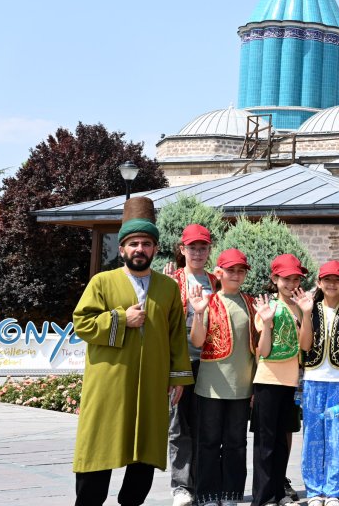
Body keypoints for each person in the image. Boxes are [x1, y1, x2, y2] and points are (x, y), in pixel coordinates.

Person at [71, 197, 194, 506]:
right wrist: (121, 319)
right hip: (110, 383)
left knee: (145, 450)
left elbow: (177, 335)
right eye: (134, 243)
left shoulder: (167, 287)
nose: (140, 249)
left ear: (155, 249)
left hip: (152, 384)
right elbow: (81, 323)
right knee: (99, 446)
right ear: (123, 249)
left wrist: (178, 377)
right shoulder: (102, 281)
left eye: (147, 243)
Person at [191, 248, 257, 506]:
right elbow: (197, 341)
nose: (236, 275)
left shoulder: (251, 303)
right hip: (211, 387)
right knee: (208, 442)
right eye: (231, 270)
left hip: (242, 387)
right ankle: (207, 494)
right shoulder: (209, 301)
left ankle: (231, 494)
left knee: (236, 443)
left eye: (241, 271)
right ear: (219, 272)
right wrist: (198, 313)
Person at [251, 254, 315, 506]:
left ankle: (278, 492)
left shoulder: (300, 306)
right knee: (265, 443)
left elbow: (305, 346)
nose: (291, 283)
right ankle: (262, 497)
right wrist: (266, 324)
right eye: (286, 278)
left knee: (281, 441)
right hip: (267, 381)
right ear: (274, 279)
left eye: (296, 278)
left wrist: (307, 315)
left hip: (290, 383)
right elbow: (264, 351)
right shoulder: (268, 306)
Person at [301, 260, 339, 506]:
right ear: (319, 282)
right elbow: (304, 346)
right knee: (312, 439)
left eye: (337, 280)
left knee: (338, 439)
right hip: (313, 381)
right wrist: (305, 314)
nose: (332, 284)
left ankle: (333, 491)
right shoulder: (310, 308)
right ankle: (314, 491)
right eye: (327, 280)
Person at [169, 223, 217, 506]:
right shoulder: (173, 280)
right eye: (192, 248)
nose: (198, 253)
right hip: (181, 363)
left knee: (207, 427)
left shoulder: (217, 280)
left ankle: (202, 485)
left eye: (203, 248)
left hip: (211, 364)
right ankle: (181, 486)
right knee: (179, 426)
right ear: (182, 249)